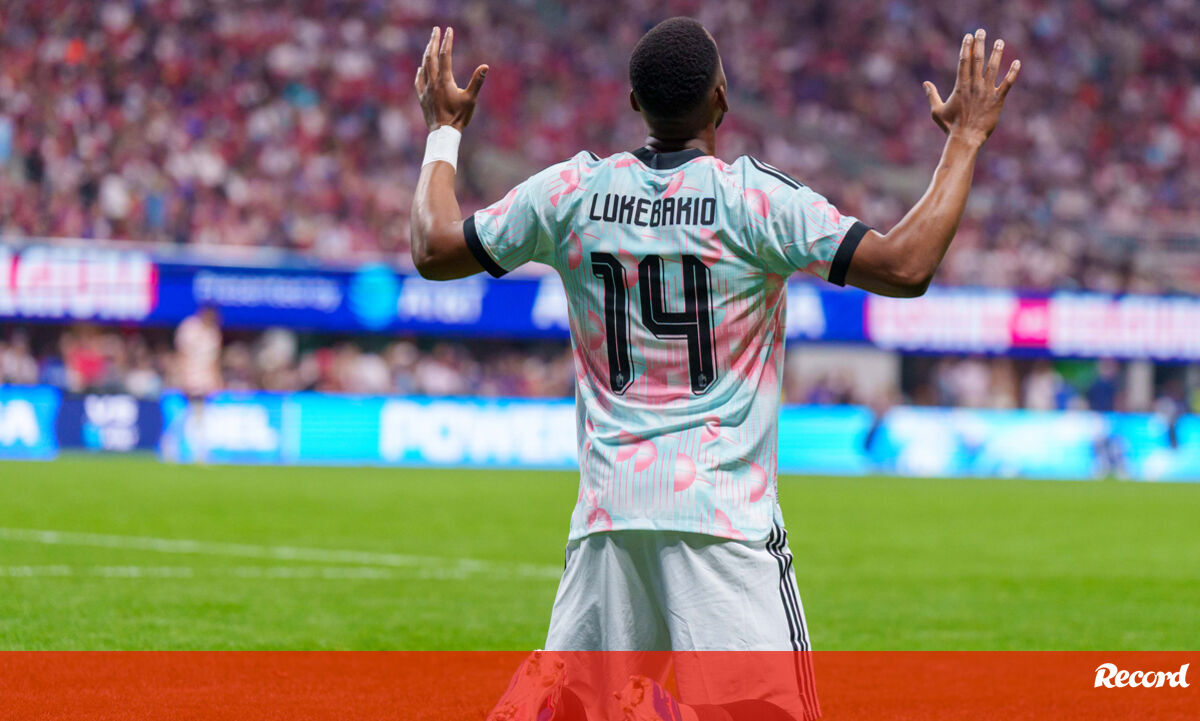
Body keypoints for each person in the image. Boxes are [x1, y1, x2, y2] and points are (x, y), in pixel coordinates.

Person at [410, 18, 1019, 721]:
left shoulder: (570, 191)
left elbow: (434, 248)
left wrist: (443, 131)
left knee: (581, 705)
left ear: (634, 104)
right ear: (722, 98)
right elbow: (906, 266)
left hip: (609, 514)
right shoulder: (755, 200)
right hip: (722, 515)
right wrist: (965, 138)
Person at [173, 306, 223, 463]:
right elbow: (181, 354)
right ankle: (175, 445)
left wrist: (216, 380)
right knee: (189, 412)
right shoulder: (190, 328)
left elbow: (214, 361)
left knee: (198, 414)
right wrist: (182, 377)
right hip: (190, 376)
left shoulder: (213, 334)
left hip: (204, 379)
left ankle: (199, 450)